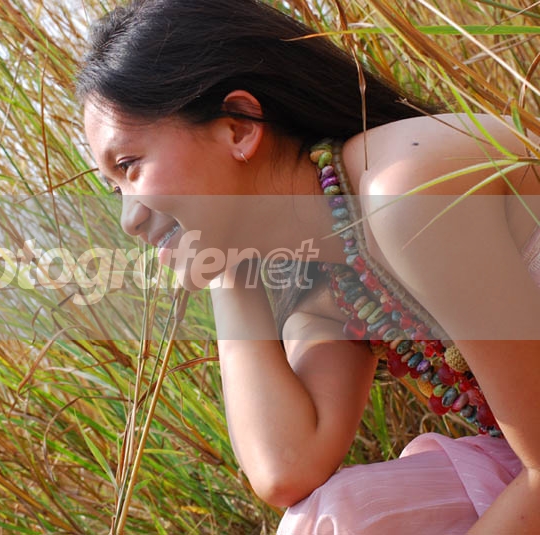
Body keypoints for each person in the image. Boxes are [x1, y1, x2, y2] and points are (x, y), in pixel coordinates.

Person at [76, 0, 540, 533]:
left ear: (238, 127)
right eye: (114, 189)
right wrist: (228, 266)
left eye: (130, 165)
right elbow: (285, 470)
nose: (129, 218)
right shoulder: (337, 282)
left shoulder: (404, 193)